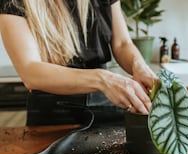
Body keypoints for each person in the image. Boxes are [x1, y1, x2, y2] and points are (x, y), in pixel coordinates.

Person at [0, 0, 158, 125]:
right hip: (53, 113)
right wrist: (103, 79)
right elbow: (30, 71)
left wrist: (139, 66)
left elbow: (122, 43)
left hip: (105, 101)